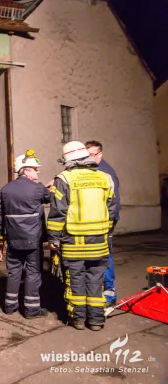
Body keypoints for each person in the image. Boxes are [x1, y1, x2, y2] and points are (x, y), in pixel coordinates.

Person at [47, 141, 116, 331]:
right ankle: (96, 320)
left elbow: (57, 212)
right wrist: (106, 231)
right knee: (96, 280)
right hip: (99, 241)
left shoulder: (64, 179)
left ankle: (77, 319)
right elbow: (112, 209)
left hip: (73, 242)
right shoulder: (105, 178)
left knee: (75, 280)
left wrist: (53, 237)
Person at [0, 150, 51, 318]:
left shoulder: (5, 190)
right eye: (35, 169)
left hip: (13, 241)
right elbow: (50, 198)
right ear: (26, 170)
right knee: (33, 273)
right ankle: (31, 309)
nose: (37, 172)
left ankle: (10, 306)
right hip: (32, 241)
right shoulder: (38, 188)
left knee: (13, 272)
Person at [85, 140, 120, 308]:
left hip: (105, 223)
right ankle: (97, 290)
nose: (89, 158)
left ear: (100, 154)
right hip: (96, 223)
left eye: (92, 154)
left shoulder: (106, 173)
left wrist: (108, 225)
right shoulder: (92, 170)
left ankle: (109, 292)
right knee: (97, 257)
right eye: (87, 154)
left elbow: (113, 202)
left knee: (105, 257)